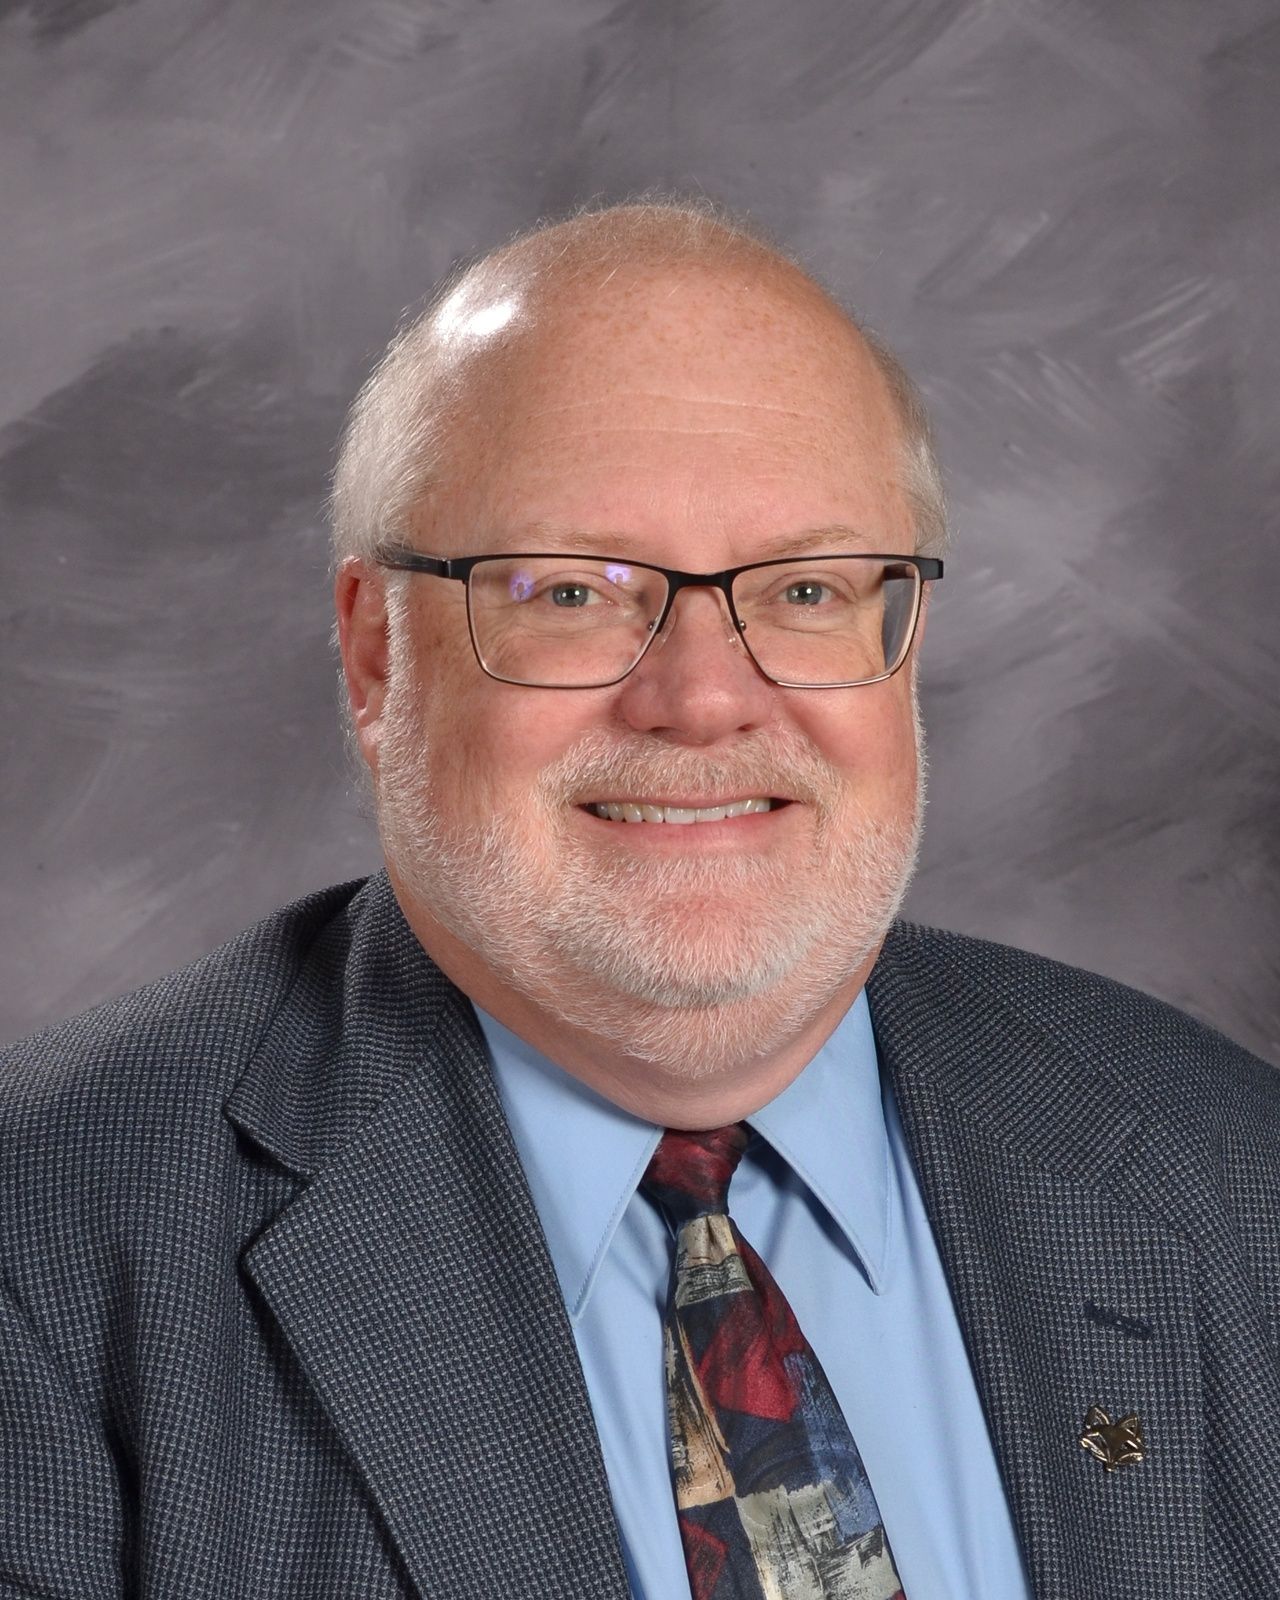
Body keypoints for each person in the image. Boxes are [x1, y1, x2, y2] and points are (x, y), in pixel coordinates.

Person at [2, 200, 1277, 1600]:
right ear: (376, 656)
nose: (704, 700)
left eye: (804, 587)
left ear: (903, 645)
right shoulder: (51, 1250)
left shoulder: (1225, 1169)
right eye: (569, 592)